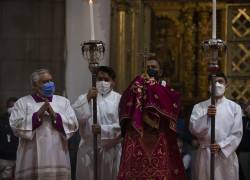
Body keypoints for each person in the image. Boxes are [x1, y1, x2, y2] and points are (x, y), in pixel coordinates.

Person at [118, 56, 186, 179]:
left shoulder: (165, 89)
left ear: (160, 71)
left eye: (153, 67)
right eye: (147, 67)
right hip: (137, 137)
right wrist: (137, 90)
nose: (150, 69)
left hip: (158, 136)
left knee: (159, 171)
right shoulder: (136, 84)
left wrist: (152, 88)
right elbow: (125, 102)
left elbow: (174, 103)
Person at [9, 69, 79, 180]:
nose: (50, 84)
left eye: (51, 80)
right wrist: (38, 115)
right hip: (30, 157)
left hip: (57, 156)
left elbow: (73, 125)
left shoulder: (63, 102)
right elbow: (15, 125)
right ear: (35, 85)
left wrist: (54, 115)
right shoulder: (22, 103)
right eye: (45, 82)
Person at [189, 72, 243, 180]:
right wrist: (206, 117)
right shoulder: (199, 107)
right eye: (214, 82)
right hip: (205, 154)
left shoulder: (234, 108)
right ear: (209, 86)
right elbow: (193, 129)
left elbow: (237, 133)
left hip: (225, 155)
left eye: (220, 81)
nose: (217, 84)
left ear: (226, 84)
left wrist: (221, 145)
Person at [73, 66, 121, 180]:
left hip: (110, 150)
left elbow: (124, 126)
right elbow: (73, 119)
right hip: (88, 149)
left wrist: (103, 130)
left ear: (113, 82)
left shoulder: (119, 99)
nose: (102, 82)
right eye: (99, 79)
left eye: (106, 80)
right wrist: (87, 99)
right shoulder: (85, 97)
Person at [0, 97, 18, 180]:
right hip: (5, 157)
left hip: (19, 156)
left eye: (15, 107)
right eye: (10, 107)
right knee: (5, 177)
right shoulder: (2, 121)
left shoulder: (22, 121)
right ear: (7, 107)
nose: (12, 109)